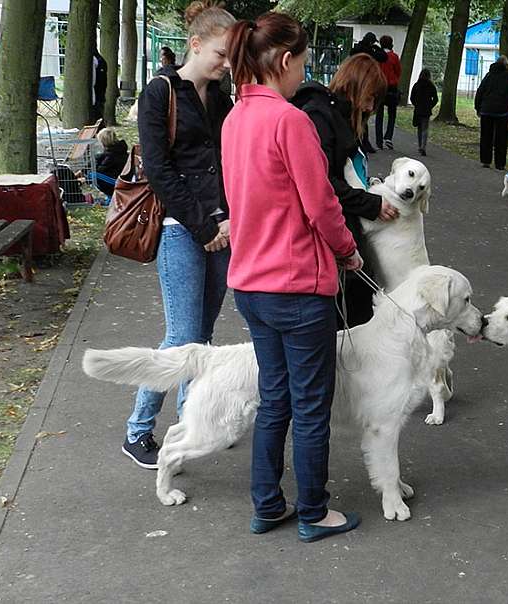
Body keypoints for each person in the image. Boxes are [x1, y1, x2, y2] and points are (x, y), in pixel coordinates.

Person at [222, 11, 364, 542]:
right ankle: (313, 511)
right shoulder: (290, 121)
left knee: (275, 398)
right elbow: (322, 205)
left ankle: (267, 504)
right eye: (303, 63)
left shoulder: (235, 119)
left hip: (250, 285)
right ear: (285, 60)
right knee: (309, 405)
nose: (305, 73)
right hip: (297, 286)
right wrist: (348, 251)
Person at [124, 0, 235, 469]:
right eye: (221, 54)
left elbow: (230, 163)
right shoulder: (160, 92)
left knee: (202, 337)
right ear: (195, 44)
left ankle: (190, 425)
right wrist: (204, 224)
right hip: (179, 229)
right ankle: (138, 430)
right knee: (183, 336)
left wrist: (228, 218)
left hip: (221, 229)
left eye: (231, 58)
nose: (227, 65)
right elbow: (160, 172)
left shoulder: (222, 98)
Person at [291, 54, 399, 328]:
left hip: (344, 228)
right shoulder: (320, 116)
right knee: (353, 316)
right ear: (357, 86)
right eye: (371, 96)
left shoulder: (341, 116)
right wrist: (371, 204)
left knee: (360, 308)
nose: (372, 105)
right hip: (331, 234)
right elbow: (322, 183)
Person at [474, 55, 508, 170]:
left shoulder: (489, 75)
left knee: (486, 136)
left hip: (486, 110)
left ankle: (485, 160)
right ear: (505, 64)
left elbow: (480, 91)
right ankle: (500, 163)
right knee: (501, 138)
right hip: (502, 112)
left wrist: (478, 108)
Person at [350, 32, 386, 154]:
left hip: (357, 83)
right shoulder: (369, 51)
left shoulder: (358, 48)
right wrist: (376, 48)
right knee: (362, 116)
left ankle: (362, 141)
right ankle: (363, 142)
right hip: (364, 84)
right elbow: (383, 57)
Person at [375, 35, 401, 150]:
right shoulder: (394, 57)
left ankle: (378, 140)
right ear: (391, 44)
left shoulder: (377, 57)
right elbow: (398, 71)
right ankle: (388, 136)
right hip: (391, 87)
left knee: (379, 115)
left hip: (379, 87)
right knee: (392, 114)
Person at [410, 68, 438, 156]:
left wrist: (416, 104)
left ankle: (419, 146)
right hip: (426, 110)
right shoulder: (431, 86)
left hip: (418, 109)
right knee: (425, 129)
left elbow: (412, 98)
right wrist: (430, 105)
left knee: (419, 128)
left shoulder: (416, 85)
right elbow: (436, 99)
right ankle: (423, 146)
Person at [94, 127, 128, 197]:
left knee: (92, 175)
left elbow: (100, 169)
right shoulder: (119, 149)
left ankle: (111, 196)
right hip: (121, 177)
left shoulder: (112, 155)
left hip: (117, 180)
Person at [91, 46, 108, 123]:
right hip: (100, 92)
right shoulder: (100, 60)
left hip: (97, 92)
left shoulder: (95, 60)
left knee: (97, 113)